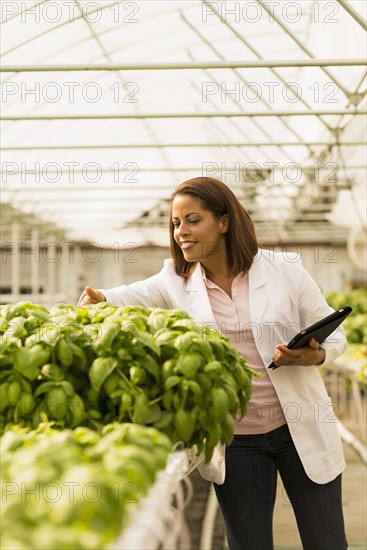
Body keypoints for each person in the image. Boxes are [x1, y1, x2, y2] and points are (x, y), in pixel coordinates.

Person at [78, 177, 348, 550]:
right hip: (235, 439)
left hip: (298, 426)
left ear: (224, 222)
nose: (180, 233)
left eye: (192, 220)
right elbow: (126, 296)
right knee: (248, 543)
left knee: (327, 542)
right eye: (175, 223)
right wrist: (100, 298)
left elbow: (335, 335)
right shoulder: (174, 279)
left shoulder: (284, 269)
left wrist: (313, 354)